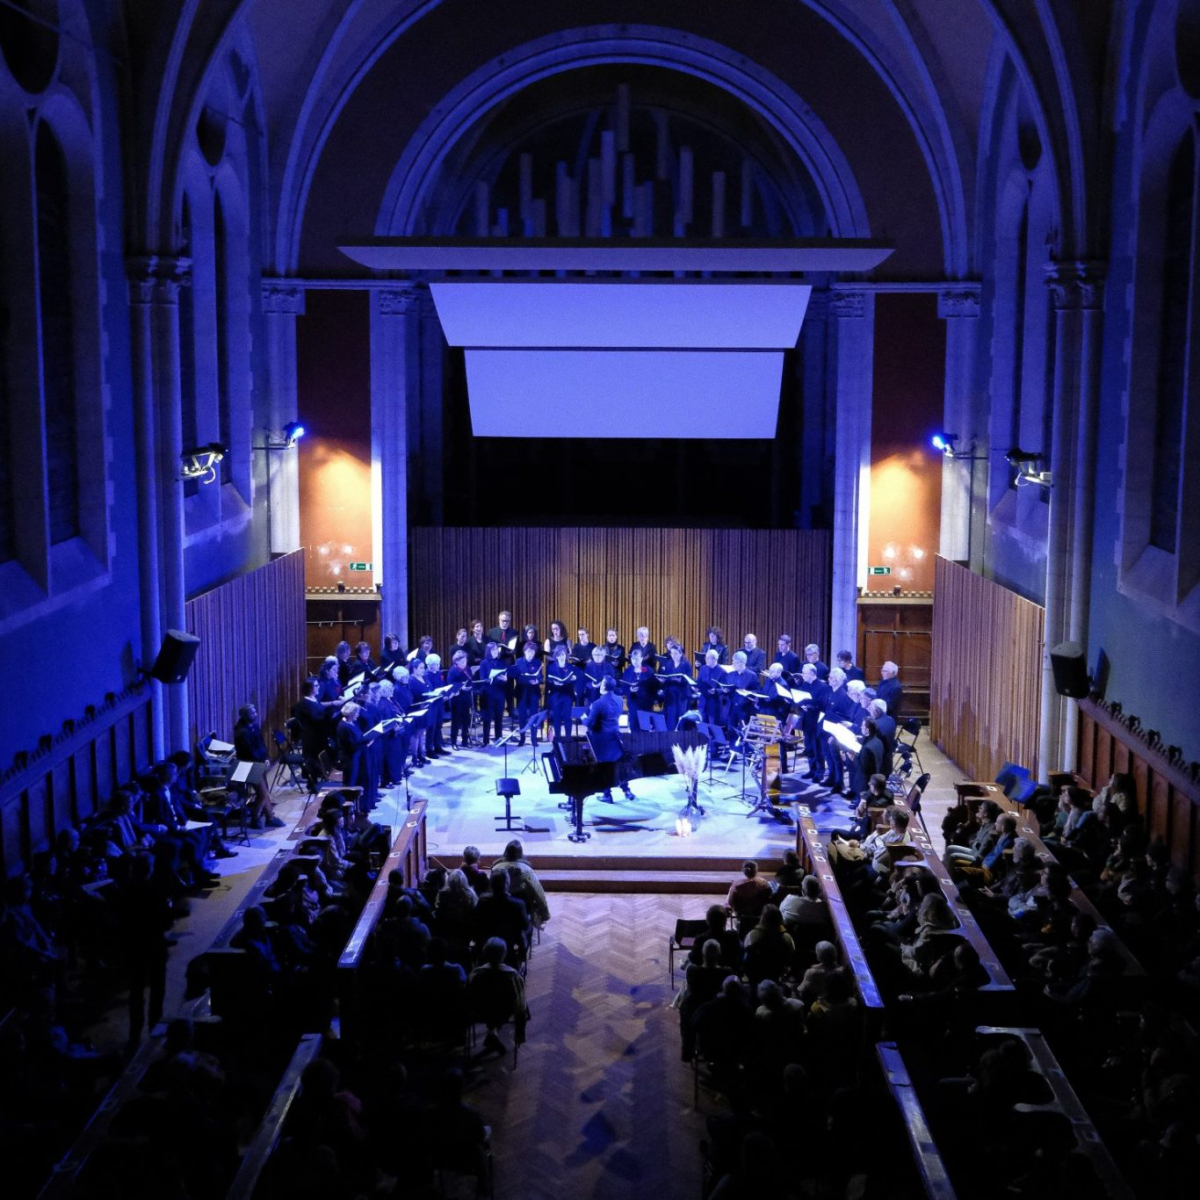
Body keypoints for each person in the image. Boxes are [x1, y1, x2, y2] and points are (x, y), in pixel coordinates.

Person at [468, 936, 528, 1053]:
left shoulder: (476, 974)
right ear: (504, 954)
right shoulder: (513, 976)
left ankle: (492, 1032)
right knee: (500, 1004)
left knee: (491, 1003)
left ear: (484, 952)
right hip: (505, 1012)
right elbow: (520, 1005)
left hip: (480, 1012)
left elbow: (469, 995)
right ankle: (493, 1032)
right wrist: (520, 1031)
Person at [585, 674, 636, 803]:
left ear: (603, 687)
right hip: (616, 736)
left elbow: (590, 723)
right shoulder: (619, 699)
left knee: (605, 767)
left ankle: (607, 795)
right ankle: (626, 790)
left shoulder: (598, 703)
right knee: (618, 765)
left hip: (602, 739)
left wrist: (583, 718)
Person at [233, 703, 283, 826]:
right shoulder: (242, 732)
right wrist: (262, 760)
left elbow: (261, 744)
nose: (255, 715)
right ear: (245, 716)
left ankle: (269, 817)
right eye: (252, 713)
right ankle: (256, 818)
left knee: (264, 790)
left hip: (258, 763)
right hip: (248, 765)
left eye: (255, 712)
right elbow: (249, 751)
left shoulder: (254, 727)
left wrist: (266, 757)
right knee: (263, 793)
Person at [491, 839, 551, 925]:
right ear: (520, 853)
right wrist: (545, 914)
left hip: (499, 908)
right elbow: (538, 892)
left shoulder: (496, 868)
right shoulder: (526, 870)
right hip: (521, 909)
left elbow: (490, 889)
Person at [336, 701, 382, 812]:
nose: (358, 715)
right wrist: (368, 743)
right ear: (351, 713)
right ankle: (353, 809)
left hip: (359, 757)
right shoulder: (344, 727)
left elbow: (359, 739)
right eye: (356, 712)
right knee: (354, 782)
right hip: (351, 760)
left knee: (364, 779)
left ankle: (364, 805)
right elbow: (352, 746)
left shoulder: (352, 723)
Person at [797, 662, 830, 782]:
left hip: (817, 721)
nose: (802, 675)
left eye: (804, 673)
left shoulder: (822, 686)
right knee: (809, 747)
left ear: (811, 673)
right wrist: (801, 705)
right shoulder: (805, 684)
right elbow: (800, 697)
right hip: (807, 720)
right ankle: (812, 769)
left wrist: (811, 705)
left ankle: (820, 771)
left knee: (818, 748)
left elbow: (823, 704)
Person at [511, 641, 544, 746]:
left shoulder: (538, 662)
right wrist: (526, 679)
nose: (530, 654)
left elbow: (540, 676)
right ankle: (522, 738)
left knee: (534, 715)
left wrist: (537, 681)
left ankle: (534, 739)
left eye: (533, 651)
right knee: (522, 716)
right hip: (522, 692)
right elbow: (517, 676)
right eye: (528, 651)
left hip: (533, 692)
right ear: (525, 651)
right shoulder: (519, 661)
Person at [727, 860, 772, 936]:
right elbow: (770, 898)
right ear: (756, 870)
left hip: (742, 919)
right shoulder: (765, 884)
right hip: (761, 918)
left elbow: (730, 903)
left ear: (744, 871)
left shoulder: (736, 886)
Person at [658, 641, 693, 731]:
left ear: (681, 654)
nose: (673, 655)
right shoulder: (668, 663)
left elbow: (689, 679)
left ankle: (680, 739)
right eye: (672, 653)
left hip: (681, 694)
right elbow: (665, 676)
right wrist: (662, 681)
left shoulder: (686, 664)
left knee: (680, 717)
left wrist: (680, 680)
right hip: (670, 694)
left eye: (676, 653)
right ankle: (670, 738)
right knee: (670, 717)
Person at [545, 643, 576, 741]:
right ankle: (557, 738)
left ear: (566, 655)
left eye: (563, 655)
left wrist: (573, 679)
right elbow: (548, 682)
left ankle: (568, 738)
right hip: (556, 694)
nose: (561, 657)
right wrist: (554, 683)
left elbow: (573, 681)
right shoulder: (551, 667)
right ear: (556, 656)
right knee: (557, 717)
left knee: (567, 717)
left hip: (567, 694)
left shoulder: (570, 667)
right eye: (559, 655)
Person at [479, 642, 508, 744]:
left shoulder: (501, 662)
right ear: (489, 651)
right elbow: (483, 679)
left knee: (499, 717)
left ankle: (499, 738)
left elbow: (505, 675)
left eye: (497, 649)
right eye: (493, 650)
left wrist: (505, 679)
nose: (496, 651)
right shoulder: (484, 663)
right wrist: (493, 679)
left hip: (499, 692)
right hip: (488, 693)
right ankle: (486, 740)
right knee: (487, 718)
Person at [620, 645, 658, 722]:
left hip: (646, 703)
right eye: (633, 659)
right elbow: (624, 687)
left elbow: (654, 686)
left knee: (645, 727)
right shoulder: (628, 671)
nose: (635, 661)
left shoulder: (647, 670)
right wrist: (630, 690)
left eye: (637, 659)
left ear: (641, 659)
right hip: (633, 703)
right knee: (634, 727)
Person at [447, 649, 474, 749]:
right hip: (456, 700)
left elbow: (471, 681)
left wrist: (469, 687)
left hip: (466, 698)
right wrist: (460, 687)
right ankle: (453, 742)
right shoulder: (452, 671)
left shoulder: (468, 669)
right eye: (462, 661)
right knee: (456, 721)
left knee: (466, 720)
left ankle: (465, 741)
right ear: (456, 661)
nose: (464, 663)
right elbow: (450, 684)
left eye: (465, 660)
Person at [852, 718, 886, 797]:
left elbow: (862, 769)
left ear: (867, 730)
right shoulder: (878, 741)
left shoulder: (867, 749)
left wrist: (853, 758)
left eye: (862, 726)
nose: (860, 727)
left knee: (862, 801)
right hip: (875, 774)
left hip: (865, 782)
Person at [698, 648, 727, 729]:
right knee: (702, 725)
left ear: (715, 659)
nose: (706, 660)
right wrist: (696, 687)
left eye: (708, 658)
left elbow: (724, 689)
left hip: (714, 703)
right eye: (706, 657)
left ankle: (712, 742)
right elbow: (699, 681)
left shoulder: (722, 672)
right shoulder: (703, 668)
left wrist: (716, 691)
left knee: (712, 726)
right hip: (703, 701)